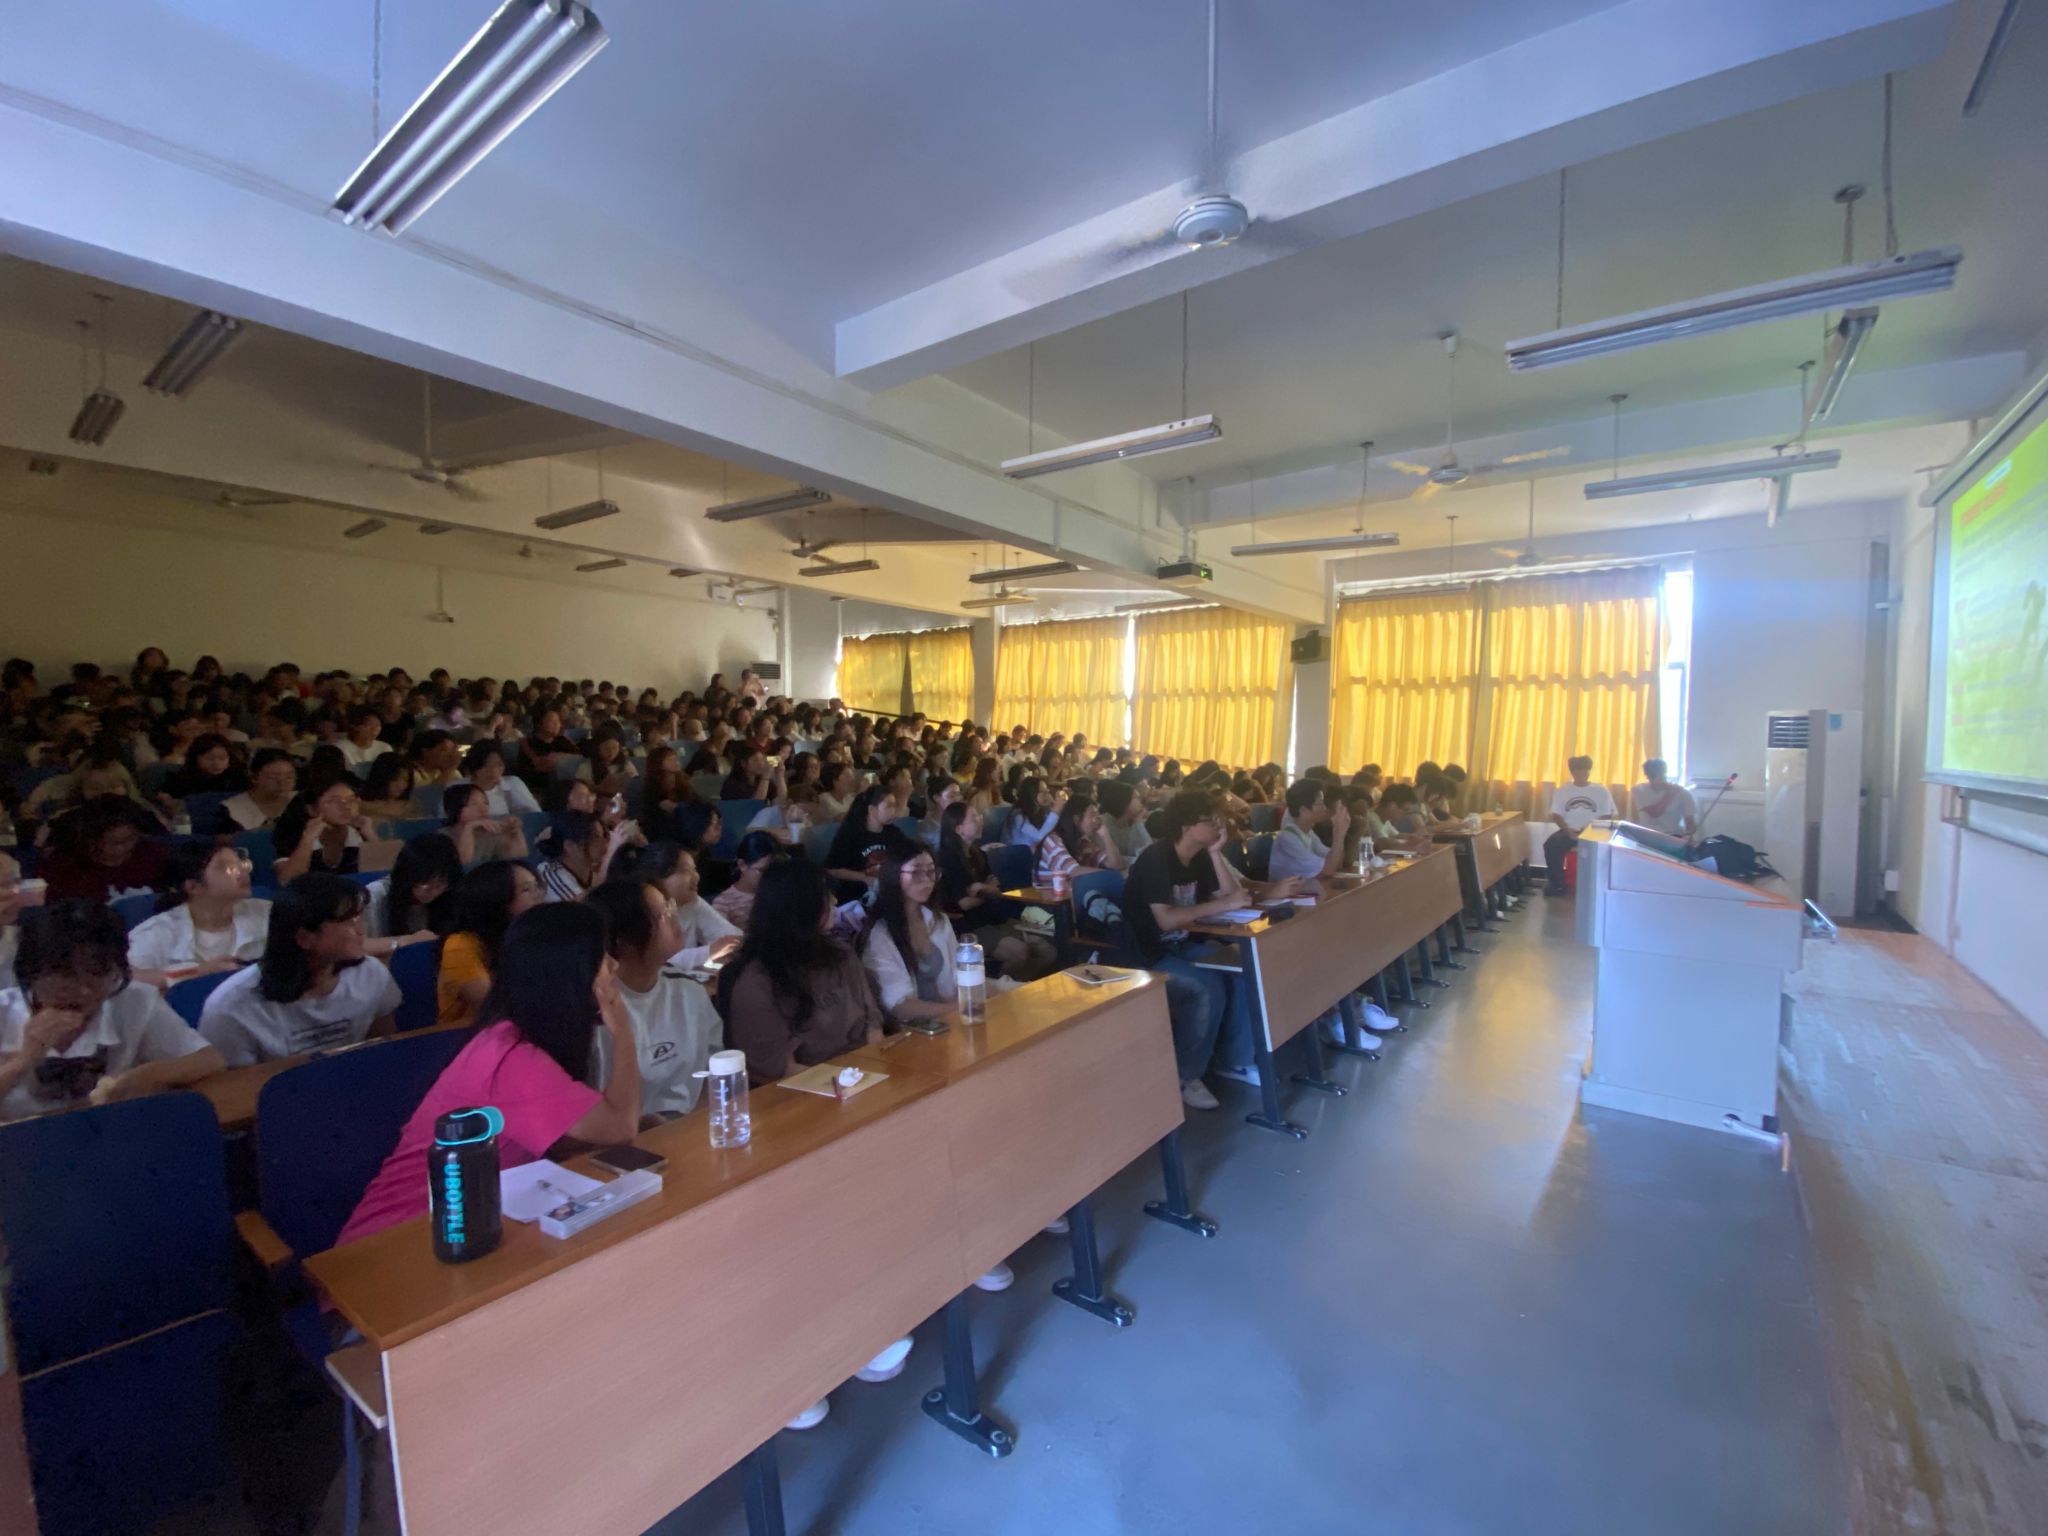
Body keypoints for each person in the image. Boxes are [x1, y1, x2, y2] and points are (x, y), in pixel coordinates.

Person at [336, 903, 641, 1248]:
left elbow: (581, 1132)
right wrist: (624, 1032)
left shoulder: (522, 1037)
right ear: (568, 971)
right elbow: (619, 1128)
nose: (614, 965)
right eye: (602, 957)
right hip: (401, 1238)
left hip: (472, 1223)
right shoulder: (511, 1058)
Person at [1120, 790, 1302, 1108]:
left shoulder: (1201, 856)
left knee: (1244, 971)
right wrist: (1222, 905)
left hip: (1184, 944)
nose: (1219, 825)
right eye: (1210, 821)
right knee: (1206, 987)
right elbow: (1165, 919)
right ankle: (1186, 1076)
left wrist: (1217, 854)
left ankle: (1234, 1060)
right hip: (1146, 954)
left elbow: (1234, 896)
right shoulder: (1156, 859)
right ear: (1187, 826)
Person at [0, 901, 224, 1121]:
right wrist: (23, 1059)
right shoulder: (4, 1011)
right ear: (31, 974)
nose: (84, 991)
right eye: (67, 977)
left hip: (113, 1130)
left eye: (98, 975)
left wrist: (153, 1073)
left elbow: (210, 1060)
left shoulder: (134, 1000)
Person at [197, 874, 401, 1065]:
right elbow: (234, 1086)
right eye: (349, 922)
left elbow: (384, 1051)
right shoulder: (231, 1008)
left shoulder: (372, 974)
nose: (361, 930)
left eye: (359, 918)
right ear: (304, 938)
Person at [717, 859, 884, 1084]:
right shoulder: (757, 979)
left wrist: (873, 1075)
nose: (834, 901)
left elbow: (872, 1026)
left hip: (859, 1075)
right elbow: (780, 1069)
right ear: (802, 906)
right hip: (809, 1088)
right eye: (825, 896)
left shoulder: (841, 955)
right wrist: (846, 1084)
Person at [585, 877, 720, 1123]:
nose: (674, 918)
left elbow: (715, 1069)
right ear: (624, 942)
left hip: (691, 1126)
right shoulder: (597, 1010)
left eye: (670, 907)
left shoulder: (688, 991)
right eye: (662, 915)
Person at [126, 842, 269, 986]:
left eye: (240, 864)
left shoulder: (267, 912)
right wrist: (197, 972)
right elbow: (127, 977)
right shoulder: (157, 932)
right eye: (225, 867)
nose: (241, 872)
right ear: (193, 887)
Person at [438, 860, 546, 1028]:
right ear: (497, 901)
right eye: (526, 889)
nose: (539, 895)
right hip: (473, 1037)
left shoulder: (533, 935)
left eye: (537, 887)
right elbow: (495, 1005)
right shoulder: (459, 945)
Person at [615, 842, 741, 970]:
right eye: (686, 871)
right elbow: (661, 958)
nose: (696, 877)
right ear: (657, 878)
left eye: (694, 870)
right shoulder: (641, 910)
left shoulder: (692, 902)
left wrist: (728, 947)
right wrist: (711, 951)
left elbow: (729, 934)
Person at [39, 799, 168, 902]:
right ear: (89, 840)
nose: (122, 848)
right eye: (115, 843)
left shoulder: (152, 855)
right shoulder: (62, 867)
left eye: (130, 839)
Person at [361, 832, 462, 949]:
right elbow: (359, 946)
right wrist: (406, 941)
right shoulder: (375, 894)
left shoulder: (449, 896)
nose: (431, 891)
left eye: (440, 884)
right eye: (423, 881)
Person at [273, 778, 386, 881]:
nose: (346, 807)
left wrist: (370, 836)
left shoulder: (359, 834)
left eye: (351, 800)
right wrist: (308, 839)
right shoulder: (293, 836)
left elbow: (385, 878)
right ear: (311, 809)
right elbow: (288, 880)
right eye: (334, 801)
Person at [1545, 755, 1616, 894]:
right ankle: (1557, 884)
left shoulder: (1601, 790)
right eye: (1578, 770)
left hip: (1594, 831)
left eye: (1585, 770)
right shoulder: (1562, 790)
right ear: (1572, 772)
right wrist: (1567, 830)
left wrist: (1589, 829)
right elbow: (1556, 815)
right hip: (1570, 831)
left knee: (1605, 848)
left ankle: (1600, 885)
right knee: (1551, 844)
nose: (1582, 773)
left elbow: (1607, 815)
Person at [824, 785, 906, 894]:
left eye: (894, 806)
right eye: (889, 806)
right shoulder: (849, 833)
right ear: (872, 809)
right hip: (855, 893)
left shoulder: (894, 833)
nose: (893, 811)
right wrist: (864, 878)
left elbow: (907, 855)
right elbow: (832, 869)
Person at [534, 809, 628, 902]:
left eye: (603, 836)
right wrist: (611, 854)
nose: (604, 844)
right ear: (570, 846)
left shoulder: (592, 872)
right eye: (595, 837)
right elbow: (580, 908)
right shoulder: (548, 875)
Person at [1269, 779, 1350, 882]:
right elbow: (1327, 871)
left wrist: (1340, 833)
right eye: (1320, 804)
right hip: (1290, 892)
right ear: (1303, 810)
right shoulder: (1288, 838)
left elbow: (1337, 863)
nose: (1324, 808)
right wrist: (1339, 833)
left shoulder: (1308, 833)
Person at [1035, 796, 1119, 886]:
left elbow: (1116, 865)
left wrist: (1105, 835)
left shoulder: (1083, 842)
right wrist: (1112, 875)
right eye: (1093, 815)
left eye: (1098, 815)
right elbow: (1074, 871)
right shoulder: (1052, 840)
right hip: (1045, 894)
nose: (1097, 820)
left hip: (1072, 893)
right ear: (1076, 819)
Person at [443, 783, 530, 866]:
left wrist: (515, 832)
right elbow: (463, 865)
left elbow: (518, 862)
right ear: (455, 809)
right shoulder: (443, 837)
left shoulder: (492, 833)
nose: (483, 809)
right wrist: (469, 828)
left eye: (485, 803)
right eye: (473, 804)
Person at [216, 747, 299, 834]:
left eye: (289, 777)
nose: (282, 782)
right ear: (254, 777)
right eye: (274, 777)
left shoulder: (302, 802)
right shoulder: (232, 809)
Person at [712, 831, 782, 929]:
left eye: (774, 870)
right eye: (762, 870)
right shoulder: (724, 903)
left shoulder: (780, 892)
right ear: (742, 865)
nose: (769, 876)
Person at [463, 741, 542, 817]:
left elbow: (536, 814)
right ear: (475, 766)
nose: (493, 771)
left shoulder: (513, 784)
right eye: (486, 766)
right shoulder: (459, 787)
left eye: (499, 765)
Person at [1629, 759, 1699, 840]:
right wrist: (1671, 794)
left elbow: (1690, 823)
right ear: (1647, 776)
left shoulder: (1683, 793)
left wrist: (1688, 835)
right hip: (1646, 836)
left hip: (1673, 835)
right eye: (1653, 776)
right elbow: (1655, 812)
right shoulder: (1639, 790)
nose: (1658, 779)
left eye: (1661, 775)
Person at [1095, 779, 1152, 862]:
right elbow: (1146, 853)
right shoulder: (1103, 824)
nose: (1140, 802)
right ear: (1124, 801)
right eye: (1136, 798)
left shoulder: (1126, 823)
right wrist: (1138, 823)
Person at [337, 706, 394, 770]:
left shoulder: (385, 748)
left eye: (377, 725)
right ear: (354, 726)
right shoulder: (340, 748)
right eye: (369, 725)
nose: (374, 729)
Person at [1006, 777, 1057, 847]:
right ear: (1030, 794)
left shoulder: (1042, 811)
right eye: (1042, 791)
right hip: (1018, 852)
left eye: (1047, 791)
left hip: (1035, 850)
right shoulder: (1018, 816)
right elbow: (1038, 837)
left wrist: (1052, 805)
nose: (1046, 795)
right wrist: (1055, 812)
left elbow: (1052, 830)